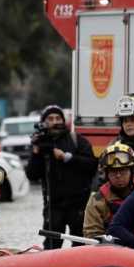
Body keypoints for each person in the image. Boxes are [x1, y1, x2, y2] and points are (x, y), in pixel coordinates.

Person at [24, 105, 97, 250]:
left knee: (80, 245)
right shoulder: (40, 144)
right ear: (43, 122)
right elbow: (32, 175)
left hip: (79, 205)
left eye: (58, 118)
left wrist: (67, 158)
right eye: (50, 119)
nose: (55, 121)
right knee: (52, 246)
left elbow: (92, 165)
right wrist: (37, 152)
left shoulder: (77, 140)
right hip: (53, 206)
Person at [83, 142, 134, 238]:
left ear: (132, 171)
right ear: (106, 174)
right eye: (113, 171)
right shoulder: (97, 200)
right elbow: (92, 235)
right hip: (113, 249)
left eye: (123, 170)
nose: (118, 176)